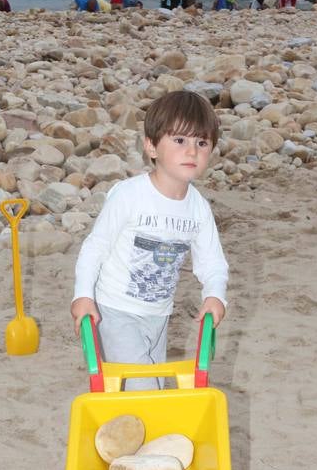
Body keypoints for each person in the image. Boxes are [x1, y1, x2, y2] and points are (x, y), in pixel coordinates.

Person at [70, 90, 228, 391]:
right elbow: (96, 247)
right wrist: (83, 295)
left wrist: (216, 295)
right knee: (144, 389)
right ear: (152, 147)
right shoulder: (130, 196)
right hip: (115, 311)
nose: (192, 151)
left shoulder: (198, 209)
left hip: (158, 315)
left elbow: (212, 262)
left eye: (202, 142)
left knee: (149, 386)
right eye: (180, 140)